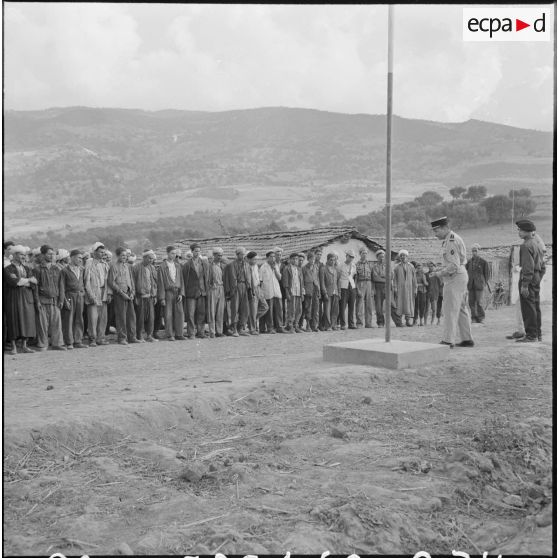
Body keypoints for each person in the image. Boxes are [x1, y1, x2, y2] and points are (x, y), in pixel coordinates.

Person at [430, 216, 474, 348]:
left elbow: (453, 266)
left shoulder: (451, 241)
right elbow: (453, 263)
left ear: (444, 228)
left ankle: (448, 340)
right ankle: (467, 339)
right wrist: (441, 269)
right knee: (460, 308)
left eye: (436, 231)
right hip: (459, 275)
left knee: (450, 309)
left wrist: (438, 273)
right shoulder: (451, 239)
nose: (435, 234)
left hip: (455, 277)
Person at [515, 220, 545, 343]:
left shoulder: (525, 245)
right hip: (536, 277)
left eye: (520, 230)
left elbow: (527, 267)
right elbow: (543, 266)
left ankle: (531, 335)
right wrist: (537, 278)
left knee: (528, 307)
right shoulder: (537, 244)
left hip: (529, 278)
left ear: (527, 231)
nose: (519, 232)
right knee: (536, 306)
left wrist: (525, 285)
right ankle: (538, 334)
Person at [4, 245, 38, 354]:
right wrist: (28, 280)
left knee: (27, 320)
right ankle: (13, 346)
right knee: (13, 320)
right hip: (13, 298)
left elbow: (34, 283)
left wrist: (25, 281)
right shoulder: (7, 269)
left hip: (27, 298)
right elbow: (14, 282)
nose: (23, 257)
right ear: (14, 255)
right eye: (21, 254)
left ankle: (24, 345)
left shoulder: (27, 268)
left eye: (24, 255)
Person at [33, 244, 66, 351]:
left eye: (53, 254)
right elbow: (35, 287)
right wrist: (37, 301)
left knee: (57, 323)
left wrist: (61, 299)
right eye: (49, 254)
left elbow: (61, 286)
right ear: (43, 255)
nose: (51, 256)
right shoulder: (37, 269)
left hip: (55, 300)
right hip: (42, 301)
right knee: (43, 324)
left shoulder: (57, 269)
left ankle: (57, 343)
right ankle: (43, 344)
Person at [107, 247, 137, 345]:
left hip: (129, 295)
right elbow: (111, 282)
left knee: (131, 317)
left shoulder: (127, 266)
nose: (124, 257)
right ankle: (122, 338)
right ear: (118, 256)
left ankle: (132, 337)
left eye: (126, 255)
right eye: (122, 255)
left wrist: (132, 292)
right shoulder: (114, 267)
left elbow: (131, 280)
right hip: (120, 295)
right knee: (121, 317)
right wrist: (121, 293)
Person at [60, 249, 88, 349]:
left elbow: (83, 283)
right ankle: (69, 342)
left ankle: (78, 341)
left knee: (79, 319)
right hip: (69, 296)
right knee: (69, 319)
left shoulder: (82, 269)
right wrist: (64, 300)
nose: (80, 260)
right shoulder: (64, 270)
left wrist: (83, 292)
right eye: (78, 258)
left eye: (81, 258)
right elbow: (62, 287)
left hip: (79, 296)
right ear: (72, 258)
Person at [84, 242, 110, 347]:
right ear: (94, 252)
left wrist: (109, 294)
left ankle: (101, 338)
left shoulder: (105, 264)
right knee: (93, 318)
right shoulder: (89, 263)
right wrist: (91, 296)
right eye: (100, 252)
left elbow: (107, 280)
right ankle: (92, 339)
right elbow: (87, 281)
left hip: (103, 293)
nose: (102, 254)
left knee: (103, 318)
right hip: (94, 293)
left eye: (103, 252)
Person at [224, 246, 253, 337]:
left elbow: (250, 278)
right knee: (234, 309)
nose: (243, 256)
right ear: (237, 254)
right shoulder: (231, 265)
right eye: (241, 254)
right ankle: (234, 329)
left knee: (244, 309)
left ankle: (241, 328)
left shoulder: (247, 265)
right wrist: (230, 290)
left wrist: (250, 289)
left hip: (245, 286)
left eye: (244, 254)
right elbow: (230, 279)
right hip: (236, 287)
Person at [157, 245, 185, 341]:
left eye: (175, 254)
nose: (174, 255)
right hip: (168, 292)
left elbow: (181, 280)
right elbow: (160, 283)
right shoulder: (162, 267)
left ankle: (179, 333)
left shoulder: (178, 266)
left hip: (177, 292)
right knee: (168, 314)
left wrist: (181, 293)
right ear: (167, 253)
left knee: (179, 313)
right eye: (172, 253)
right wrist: (162, 298)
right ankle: (170, 334)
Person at [182, 242, 209, 339]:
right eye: (196, 251)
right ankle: (191, 333)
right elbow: (184, 280)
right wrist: (184, 293)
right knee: (190, 314)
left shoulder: (204, 263)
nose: (197, 253)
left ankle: (201, 332)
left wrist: (206, 290)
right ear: (192, 251)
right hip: (191, 293)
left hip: (202, 292)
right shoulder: (187, 265)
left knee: (201, 313)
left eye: (199, 251)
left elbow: (207, 277)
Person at [132, 249, 158, 342]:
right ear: (144, 257)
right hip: (140, 296)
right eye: (149, 258)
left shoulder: (152, 268)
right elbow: (133, 283)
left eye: (152, 259)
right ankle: (140, 336)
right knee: (140, 317)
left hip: (150, 296)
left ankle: (149, 335)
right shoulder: (136, 267)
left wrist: (154, 296)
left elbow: (154, 283)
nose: (151, 260)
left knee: (151, 317)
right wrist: (135, 296)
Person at [259, 250, 284, 334]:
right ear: (267, 258)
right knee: (269, 312)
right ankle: (270, 328)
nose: (273, 258)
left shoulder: (276, 266)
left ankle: (279, 327)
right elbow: (260, 281)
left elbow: (280, 278)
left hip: (276, 291)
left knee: (279, 310)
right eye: (271, 257)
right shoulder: (263, 267)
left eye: (274, 256)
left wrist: (275, 269)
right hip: (268, 292)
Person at [465, 243, 490, 323]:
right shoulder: (468, 262)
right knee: (471, 302)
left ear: (479, 251)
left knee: (479, 302)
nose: (474, 252)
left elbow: (487, 274)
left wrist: (484, 283)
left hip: (479, 285)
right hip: (470, 285)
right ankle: (474, 318)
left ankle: (481, 318)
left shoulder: (483, 262)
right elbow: (465, 273)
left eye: (475, 251)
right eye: (473, 251)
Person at [392, 250, 417, 327]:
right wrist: (395, 287)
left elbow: (414, 279)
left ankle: (408, 321)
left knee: (409, 304)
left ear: (407, 257)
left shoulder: (411, 266)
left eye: (404, 255)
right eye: (401, 255)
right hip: (400, 288)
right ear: (400, 257)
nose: (403, 257)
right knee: (399, 303)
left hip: (409, 288)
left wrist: (415, 288)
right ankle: (400, 321)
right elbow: (394, 279)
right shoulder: (396, 267)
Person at [206, 247, 226, 338]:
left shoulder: (222, 265)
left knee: (220, 311)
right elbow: (207, 279)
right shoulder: (210, 266)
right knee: (212, 311)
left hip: (221, 288)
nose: (220, 257)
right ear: (214, 255)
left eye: (221, 255)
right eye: (218, 255)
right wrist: (210, 286)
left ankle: (219, 331)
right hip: (213, 289)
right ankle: (212, 332)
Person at [282, 252, 304, 333]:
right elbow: (285, 282)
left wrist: (302, 292)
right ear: (290, 260)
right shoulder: (287, 268)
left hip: (298, 292)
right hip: (291, 292)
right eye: (293, 259)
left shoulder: (299, 269)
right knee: (291, 310)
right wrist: (287, 292)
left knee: (299, 309)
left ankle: (296, 325)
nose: (295, 260)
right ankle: (289, 326)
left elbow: (301, 282)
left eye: (296, 259)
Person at [246, 251, 268, 335]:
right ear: (249, 259)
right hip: (252, 289)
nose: (255, 261)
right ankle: (252, 328)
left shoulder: (256, 266)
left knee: (265, 307)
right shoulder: (247, 267)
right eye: (254, 259)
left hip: (258, 288)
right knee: (253, 310)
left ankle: (250, 320)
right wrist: (250, 290)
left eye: (256, 259)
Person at [320, 252, 340, 331]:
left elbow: (337, 282)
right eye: (331, 260)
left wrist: (338, 292)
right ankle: (327, 325)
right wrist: (324, 293)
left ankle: (333, 324)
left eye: (334, 260)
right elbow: (322, 282)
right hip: (328, 292)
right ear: (327, 260)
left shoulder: (335, 270)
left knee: (335, 310)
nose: (332, 262)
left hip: (335, 292)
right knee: (327, 310)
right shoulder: (323, 269)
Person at [355, 247, 374, 328]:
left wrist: (373, 289)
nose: (365, 254)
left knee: (369, 304)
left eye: (366, 253)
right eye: (363, 253)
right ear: (360, 254)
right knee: (360, 304)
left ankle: (368, 323)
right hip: (360, 283)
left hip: (369, 283)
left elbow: (373, 277)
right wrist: (357, 288)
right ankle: (359, 323)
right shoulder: (357, 264)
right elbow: (355, 278)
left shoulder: (370, 264)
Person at [301, 250, 320, 332]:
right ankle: (308, 325)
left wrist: (318, 289)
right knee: (308, 308)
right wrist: (303, 290)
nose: (313, 261)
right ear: (308, 259)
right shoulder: (304, 269)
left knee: (315, 308)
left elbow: (317, 279)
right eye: (311, 259)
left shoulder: (316, 267)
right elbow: (302, 281)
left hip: (315, 289)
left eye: (314, 259)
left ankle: (314, 326)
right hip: (308, 290)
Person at [338, 250, 357, 329]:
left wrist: (354, 287)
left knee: (352, 306)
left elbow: (355, 276)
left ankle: (351, 323)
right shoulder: (341, 265)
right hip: (343, 287)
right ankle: (342, 324)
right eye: (350, 257)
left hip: (351, 286)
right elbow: (338, 277)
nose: (351, 258)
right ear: (347, 256)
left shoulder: (353, 266)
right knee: (342, 306)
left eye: (353, 257)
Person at [372, 249, 386, 327]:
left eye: (383, 257)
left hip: (387, 287)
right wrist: (384, 278)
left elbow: (391, 276)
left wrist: (382, 277)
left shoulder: (387, 266)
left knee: (392, 304)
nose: (382, 258)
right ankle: (380, 322)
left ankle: (398, 322)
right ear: (377, 258)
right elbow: (375, 278)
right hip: (378, 287)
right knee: (378, 306)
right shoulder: (374, 267)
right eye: (380, 257)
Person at [413, 262, 429, 326]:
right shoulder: (414, 275)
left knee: (422, 306)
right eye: (417, 267)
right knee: (415, 306)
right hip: (416, 292)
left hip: (423, 292)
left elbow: (426, 283)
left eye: (420, 267)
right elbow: (413, 283)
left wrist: (420, 284)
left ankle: (421, 320)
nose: (419, 269)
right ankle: (415, 320)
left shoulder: (424, 275)